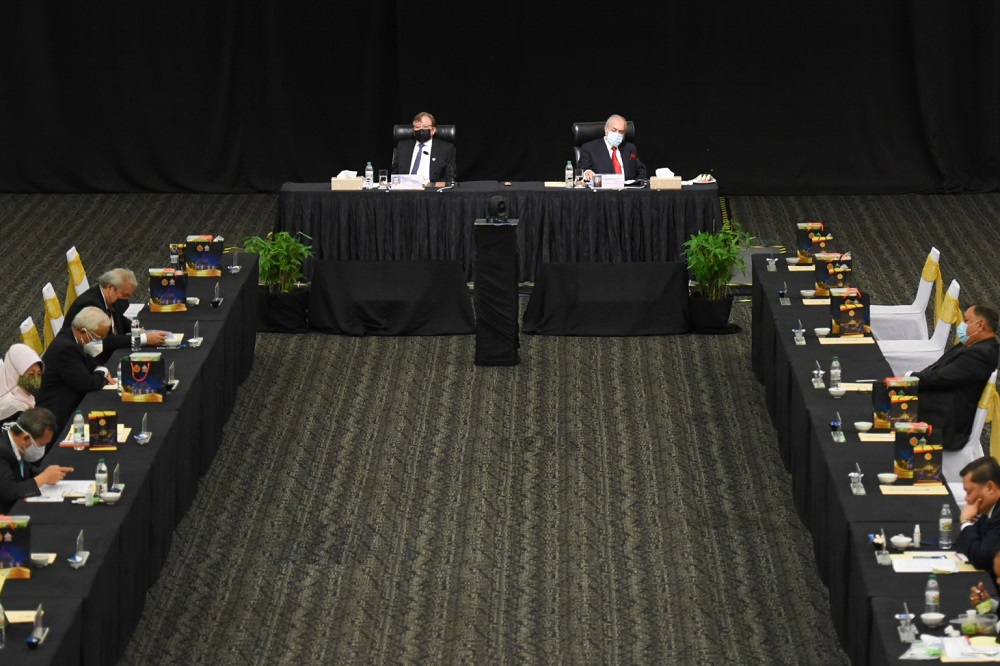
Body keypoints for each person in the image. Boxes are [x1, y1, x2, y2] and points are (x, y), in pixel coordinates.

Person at [912, 304, 1000, 450]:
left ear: (980, 324)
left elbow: (941, 378)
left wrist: (911, 379)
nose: (962, 325)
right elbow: (937, 368)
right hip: (940, 404)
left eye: (966, 321)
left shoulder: (980, 354)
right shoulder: (973, 345)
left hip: (944, 423)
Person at [36, 306, 116, 432]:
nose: (99, 342)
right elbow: (88, 383)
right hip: (55, 414)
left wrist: (99, 369)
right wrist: (103, 373)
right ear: (83, 331)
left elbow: (88, 364)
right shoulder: (66, 349)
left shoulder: (69, 337)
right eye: (98, 337)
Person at [64, 268, 167, 364]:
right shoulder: (90, 304)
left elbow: (118, 318)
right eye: (125, 295)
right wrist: (143, 339)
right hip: (90, 361)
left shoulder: (110, 298)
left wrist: (135, 329)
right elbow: (102, 340)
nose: (125, 299)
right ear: (110, 288)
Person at [0, 407, 73, 513]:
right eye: (41, 445)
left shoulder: (16, 443)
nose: (42, 449)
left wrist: (47, 475)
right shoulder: (2, 452)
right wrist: (43, 478)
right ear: (26, 438)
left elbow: (24, 472)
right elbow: (10, 493)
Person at [955, 456, 1000, 577]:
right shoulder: (990, 509)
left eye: (969, 491)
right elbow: (969, 543)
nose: (966, 499)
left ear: (989, 487)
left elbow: (981, 559)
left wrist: (965, 522)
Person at [390, 112, 457, 184]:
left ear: (433, 130)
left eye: (425, 127)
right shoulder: (402, 146)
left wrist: (431, 186)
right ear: (414, 131)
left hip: (432, 190)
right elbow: (395, 174)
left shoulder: (446, 148)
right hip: (405, 188)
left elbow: (450, 177)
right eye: (417, 127)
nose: (421, 130)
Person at [579, 114, 647, 182]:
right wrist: (587, 172)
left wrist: (637, 184)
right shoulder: (589, 148)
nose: (617, 134)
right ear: (606, 129)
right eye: (614, 130)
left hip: (628, 190)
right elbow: (583, 169)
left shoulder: (630, 148)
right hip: (602, 190)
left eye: (621, 132)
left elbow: (640, 170)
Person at [0, 344, 44, 425]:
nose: (35, 379)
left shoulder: (27, 399)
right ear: (16, 373)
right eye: (31, 374)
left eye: (39, 374)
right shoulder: (12, 408)